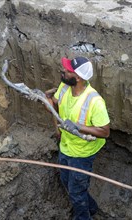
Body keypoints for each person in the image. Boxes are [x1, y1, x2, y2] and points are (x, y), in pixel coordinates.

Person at [46, 57, 110, 220]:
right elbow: (55, 104)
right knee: (67, 182)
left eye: (68, 71)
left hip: (82, 154)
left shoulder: (95, 101)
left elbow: (104, 132)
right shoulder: (65, 86)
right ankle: (92, 208)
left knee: (76, 193)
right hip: (66, 145)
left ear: (79, 77)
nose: (63, 71)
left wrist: (78, 126)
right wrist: (48, 102)